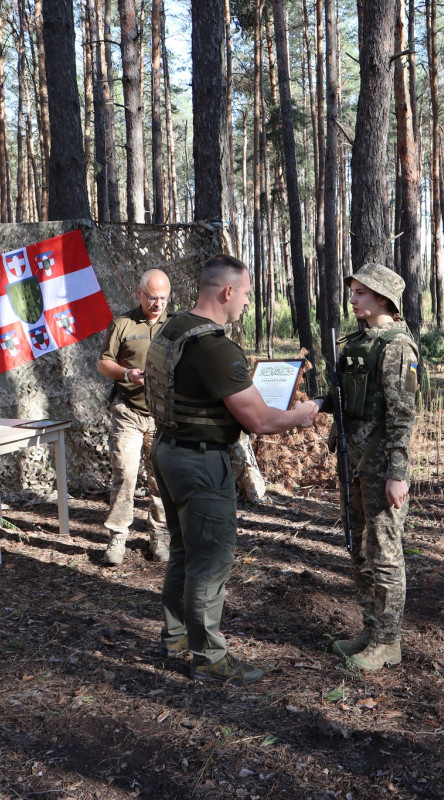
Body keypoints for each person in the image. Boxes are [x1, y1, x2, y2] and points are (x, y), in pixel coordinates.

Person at [145, 254, 317, 685]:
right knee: (211, 559)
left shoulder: (175, 326)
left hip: (168, 449)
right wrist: (303, 413)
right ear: (226, 292)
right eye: (243, 293)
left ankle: (176, 638)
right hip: (200, 462)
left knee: (184, 550)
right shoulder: (215, 347)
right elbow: (258, 421)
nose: (245, 302)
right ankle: (209, 657)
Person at [323, 263, 420, 673]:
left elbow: (402, 416)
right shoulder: (358, 342)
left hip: (382, 468)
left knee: (385, 553)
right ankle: (371, 627)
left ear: (383, 299)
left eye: (361, 292)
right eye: (353, 291)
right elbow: (341, 398)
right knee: (359, 547)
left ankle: (388, 642)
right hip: (356, 462)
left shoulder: (398, 347)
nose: (353, 298)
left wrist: (398, 473)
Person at [96, 269, 172, 565]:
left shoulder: (176, 326)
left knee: (161, 479)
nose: (158, 304)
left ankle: (159, 534)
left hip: (163, 416)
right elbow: (104, 362)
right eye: (152, 297)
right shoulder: (122, 324)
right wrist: (126, 373)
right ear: (139, 293)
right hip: (127, 411)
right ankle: (117, 537)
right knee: (125, 475)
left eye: (163, 298)